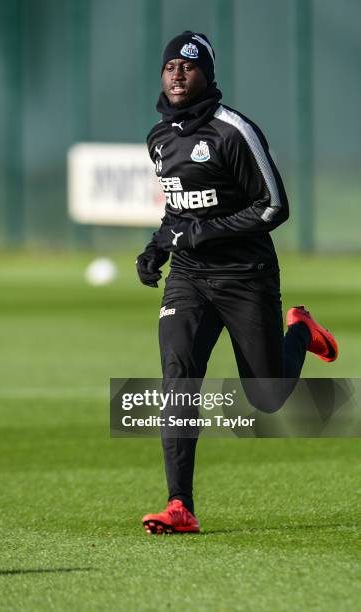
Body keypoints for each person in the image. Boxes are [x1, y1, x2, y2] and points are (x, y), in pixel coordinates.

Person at [135, 31, 338, 535]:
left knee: (266, 397)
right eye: (170, 67)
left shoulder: (233, 131)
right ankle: (179, 505)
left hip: (247, 277)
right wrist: (157, 248)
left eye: (188, 66)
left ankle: (302, 332)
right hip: (188, 279)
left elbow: (274, 206)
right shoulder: (159, 138)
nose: (177, 74)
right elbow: (176, 207)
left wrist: (200, 233)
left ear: (206, 74)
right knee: (178, 380)